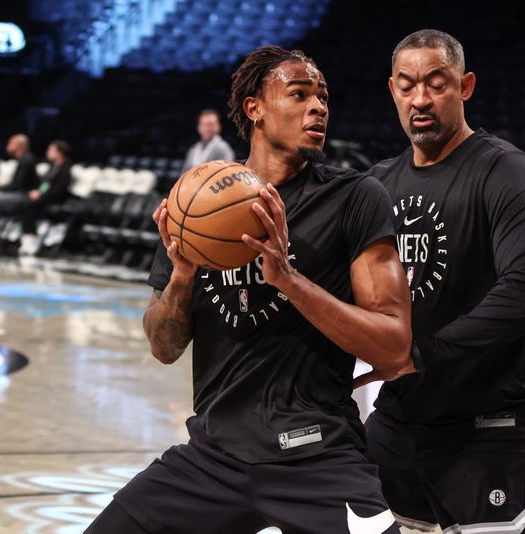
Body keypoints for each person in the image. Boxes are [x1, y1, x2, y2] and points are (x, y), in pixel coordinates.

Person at [87, 45, 413, 534]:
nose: (319, 107)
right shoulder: (193, 205)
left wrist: (288, 278)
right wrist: (180, 277)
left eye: (322, 96)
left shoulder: (355, 198)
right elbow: (164, 347)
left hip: (318, 457)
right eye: (299, 94)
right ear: (253, 108)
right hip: (213, 458)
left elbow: (392, 348)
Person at [364, 30, 525, 533]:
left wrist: (421, 355)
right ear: (392, 91)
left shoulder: (503, 170)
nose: (420, 99)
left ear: (466, 86)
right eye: (407, 86)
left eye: (436, 83)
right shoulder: (379, 184)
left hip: (492, 425)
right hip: (401, 420)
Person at [17, 140, 73, 256]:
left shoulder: (65, 170)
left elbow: (58, 191)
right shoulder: (52, 168)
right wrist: (38, 192)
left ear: (59, 153)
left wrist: (41, 194)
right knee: (25, 203)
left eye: (51, 150)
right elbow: (44, 185)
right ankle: (27, 239)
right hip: (43, 198)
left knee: (30, 205)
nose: (48, 152)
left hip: (55, 201)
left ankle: (32, 240)